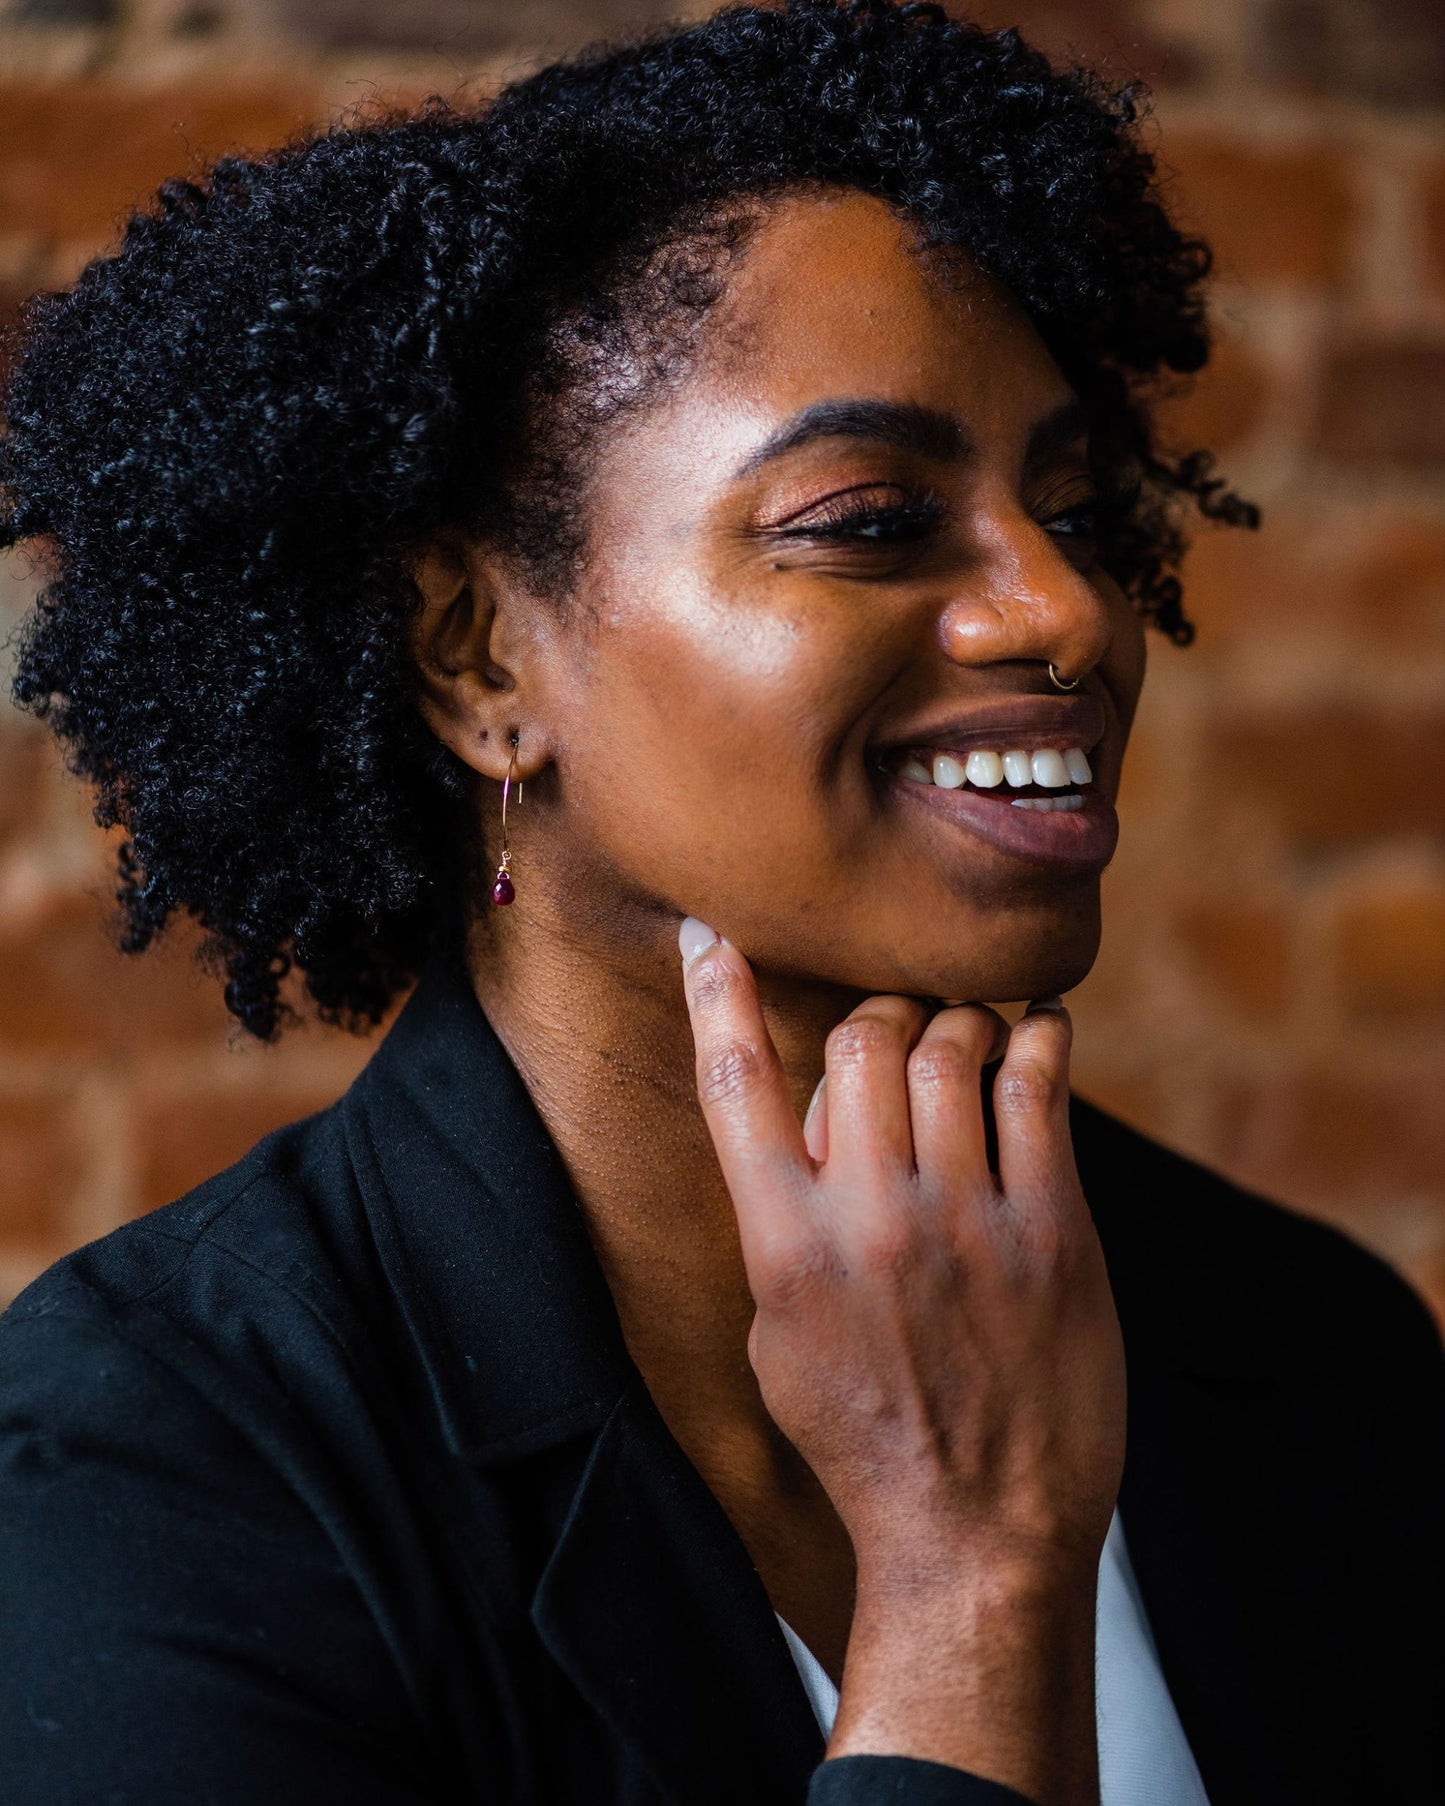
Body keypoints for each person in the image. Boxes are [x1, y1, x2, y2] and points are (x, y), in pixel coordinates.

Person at [0, 4, 1440, 1803]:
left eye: (1072, 509)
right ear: (477, 659)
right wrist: (964, 1584)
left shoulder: (1307, 1352)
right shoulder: (161, 1466)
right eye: (868, 518)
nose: (1065, 611)